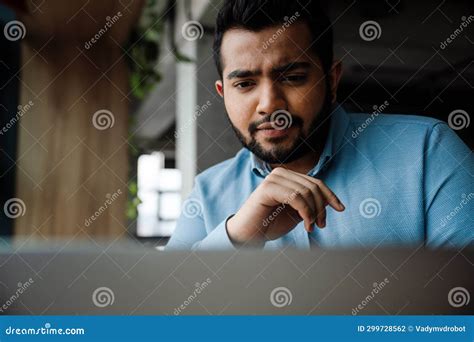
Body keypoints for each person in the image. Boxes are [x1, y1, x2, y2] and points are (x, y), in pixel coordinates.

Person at [166, 0, 473, 250]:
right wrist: (239, 236)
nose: (269, 104)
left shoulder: (428, 153)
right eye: (245, 84)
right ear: (223, 94)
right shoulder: (206, 194)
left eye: (293, 77)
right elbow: (164, 320)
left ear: (332, 79)